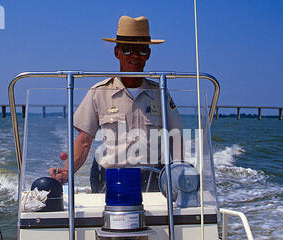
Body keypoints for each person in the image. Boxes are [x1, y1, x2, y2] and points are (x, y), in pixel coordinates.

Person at [50, 16, 183, 191]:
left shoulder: (160, 93)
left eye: (142, 50)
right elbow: (83, 142)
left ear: (148, 55)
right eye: (128, 50)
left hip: (153, 180)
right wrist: (66, 172)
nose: (135, 56)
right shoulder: (99, 92)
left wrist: (182, 175)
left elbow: (176, 138)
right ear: (117, 52)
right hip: (110, 180)